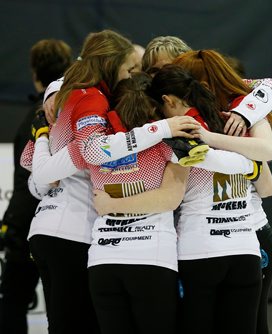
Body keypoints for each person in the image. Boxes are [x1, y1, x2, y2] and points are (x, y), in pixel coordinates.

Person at [21, 30, 199, 334]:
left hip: (54, 233)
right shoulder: (93, 99)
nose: (134, 76)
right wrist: (161, 128)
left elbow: (31, 166)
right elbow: (89, 150)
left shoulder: (74, 95)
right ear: (113, 64)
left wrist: (42, 137)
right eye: (131, 69)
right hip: (77, 234)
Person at [173, 49, 272, 334]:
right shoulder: (183, 115)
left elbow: (266, 162)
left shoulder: (245, 108)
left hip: (250, 234)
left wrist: (222, 132)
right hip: (215, 240)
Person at [0, 38, 72, 334]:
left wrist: (12, 227)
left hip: (33, 223)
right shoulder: (67, 116)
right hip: (57, 224)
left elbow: (34, 178)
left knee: (14, 301)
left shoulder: (39, 116)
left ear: (34, 72)